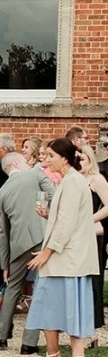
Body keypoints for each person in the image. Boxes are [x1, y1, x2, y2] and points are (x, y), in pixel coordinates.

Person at [26, 138, 98, 357]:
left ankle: (57, 355)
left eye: (50, 155)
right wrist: (49, 214)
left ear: (65, 158)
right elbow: (68, 218)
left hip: (65, 259)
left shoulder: (73, 182)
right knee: (65, 308)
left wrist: (47, 252)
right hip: (68, 258)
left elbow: (67, 223)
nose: (46, 159)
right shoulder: (71, 181)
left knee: (50, 305)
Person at [0, 152, 54, 354]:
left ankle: (0, 336)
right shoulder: (36, 174)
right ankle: (29, 342)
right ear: (17, 162)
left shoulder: (0, 194)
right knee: (39, 288)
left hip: (18, 245)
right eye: (26, 161)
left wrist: (5, 264)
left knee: (12, 288)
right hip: (43, 238)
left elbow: (2, 232)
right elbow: (56, 197)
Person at [78, 144, 108, 338]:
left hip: (93, 232)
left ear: (90, 160)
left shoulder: (97, 179)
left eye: (82, 159)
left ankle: (95, 319)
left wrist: (90, 219)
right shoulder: (76, 180)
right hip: (78, 233)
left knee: (94, 274)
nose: (79, 162)